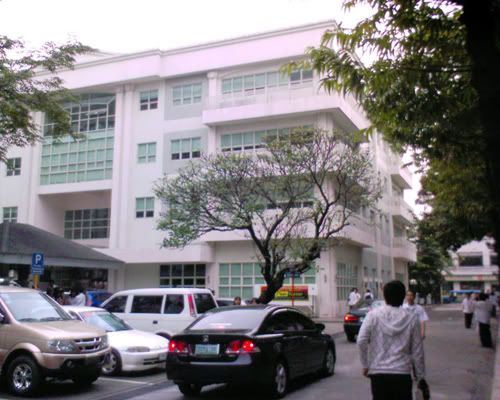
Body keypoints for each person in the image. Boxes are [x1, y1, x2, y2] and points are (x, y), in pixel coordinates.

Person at [357, 280, 426, 400]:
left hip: (378, 374)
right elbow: (417, 351)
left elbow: (361, 340)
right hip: (402, 374)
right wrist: (420, 377)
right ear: (403, 296)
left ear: (385, 296)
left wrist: (365, 365)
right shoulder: (412, 318)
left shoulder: (373, 315)